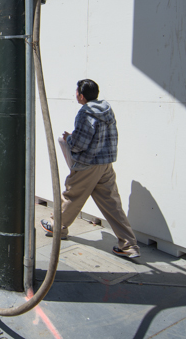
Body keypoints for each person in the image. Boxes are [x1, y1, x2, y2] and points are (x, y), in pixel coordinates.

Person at [40, 79, 141, 259]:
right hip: (105, 164)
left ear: (81, 95)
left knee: (72, 194)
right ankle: (129, 244)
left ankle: (58, 227)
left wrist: (69, 139)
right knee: (112, 204)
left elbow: (80, 144)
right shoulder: (106, 109)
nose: (75, 95)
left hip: (88, 165)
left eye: (76, 92)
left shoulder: (85, 113)